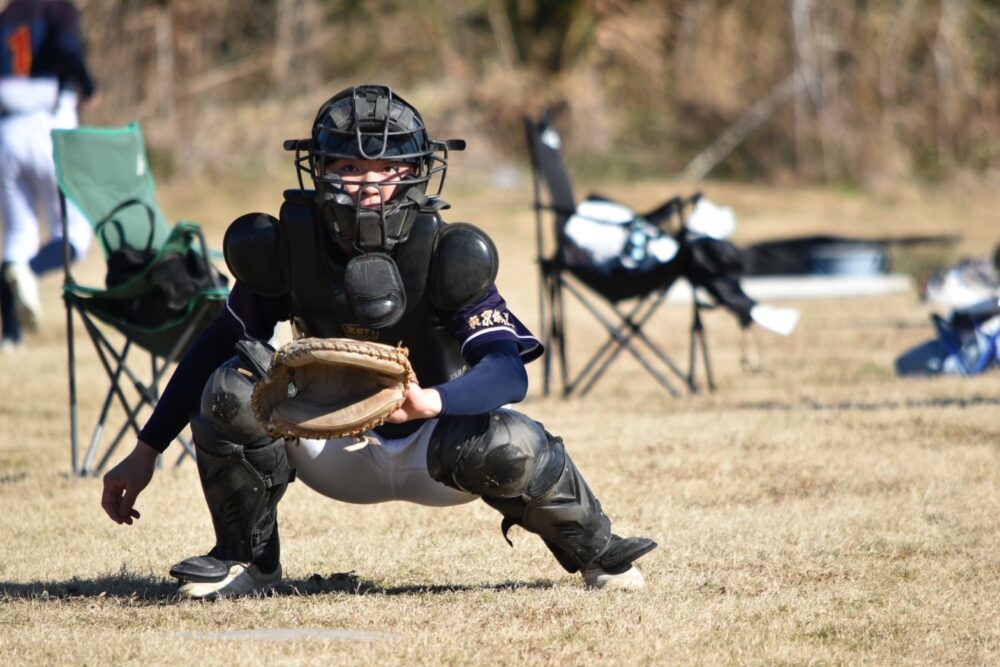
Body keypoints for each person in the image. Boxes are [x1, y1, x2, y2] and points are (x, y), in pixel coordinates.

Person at [101, 84, 657, 599]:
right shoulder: (287, 247)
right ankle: (247, 559)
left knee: (513, 441)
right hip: (326, 442)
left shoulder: (451, 254)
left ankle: (599, 555)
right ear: (317, 170)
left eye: (387, 167)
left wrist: (429, 401)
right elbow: (214, 346)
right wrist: (144, 452)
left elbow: (509, 372)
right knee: (229, 387)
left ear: (417, 172)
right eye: (347, 166)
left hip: (437, 450)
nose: (368, 183)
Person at [0, 0, 96, 351]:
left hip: (6, 131)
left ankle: (10, 336)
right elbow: (68, 49)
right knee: (74, 235)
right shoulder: (58, 9)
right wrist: (88, 85)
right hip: (49, 128)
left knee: (19, 233)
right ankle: (26, 274)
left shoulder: (8, 15)